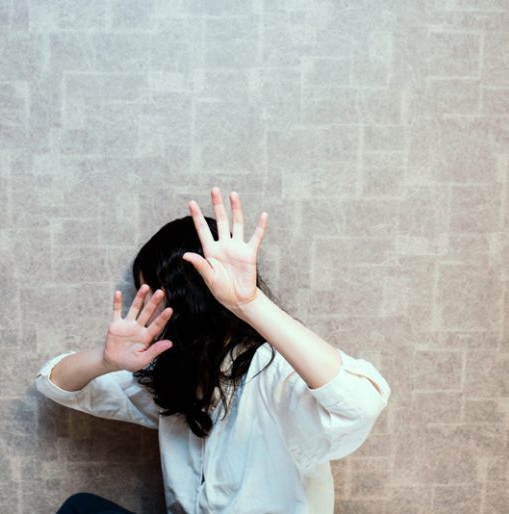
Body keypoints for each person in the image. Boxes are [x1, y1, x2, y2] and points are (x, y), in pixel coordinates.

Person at [35, 187, 391, 514]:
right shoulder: (172, 374)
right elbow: (55, 383)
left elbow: (360, 405)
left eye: (155, 298)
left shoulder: (273, 370)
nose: (148, 315)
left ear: (186, 297)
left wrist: (249, 302)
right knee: (81, 509)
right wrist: (104, 361)